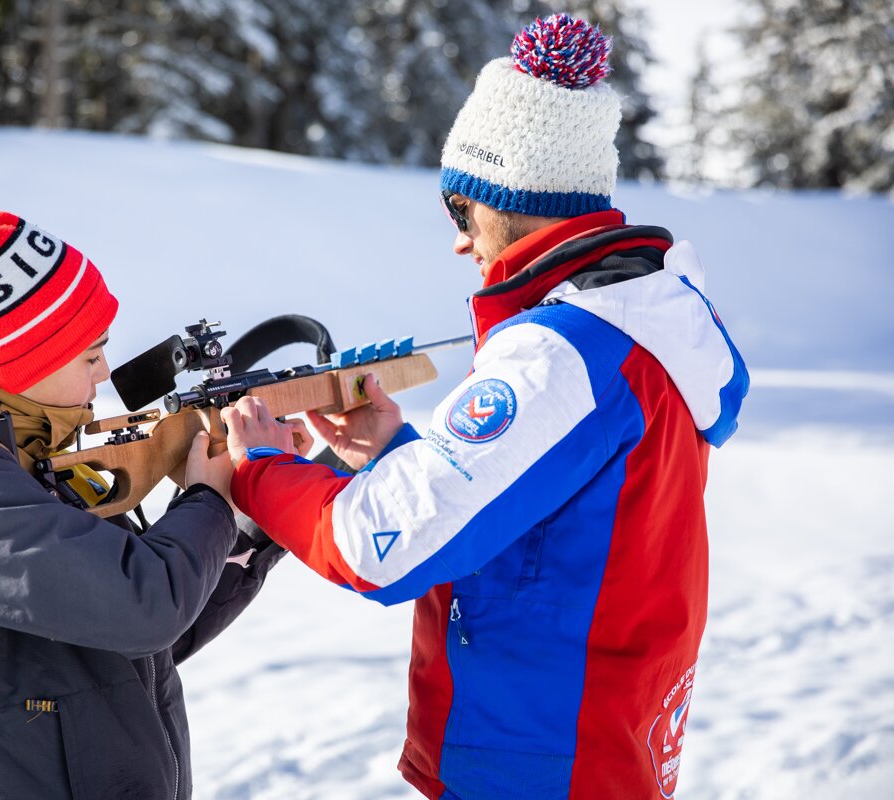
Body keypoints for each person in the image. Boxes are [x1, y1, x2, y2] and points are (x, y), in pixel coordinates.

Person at [221, 14, 749, 800]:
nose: (460, 243)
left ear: (512, 200)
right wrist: (393, 453)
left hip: (538, 757)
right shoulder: (646, 317)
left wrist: (256, 470)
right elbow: (531, 519)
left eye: (461, 212)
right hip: (597, 739)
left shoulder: (564, 352)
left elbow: (379, 551)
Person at [0, 194, 290, 799]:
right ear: (23, 361)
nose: (105, 370)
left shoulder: (34, 453)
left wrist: (243, 521)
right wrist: (206, 503)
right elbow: (144, 605)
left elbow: (149, 640)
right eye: (89, 353)